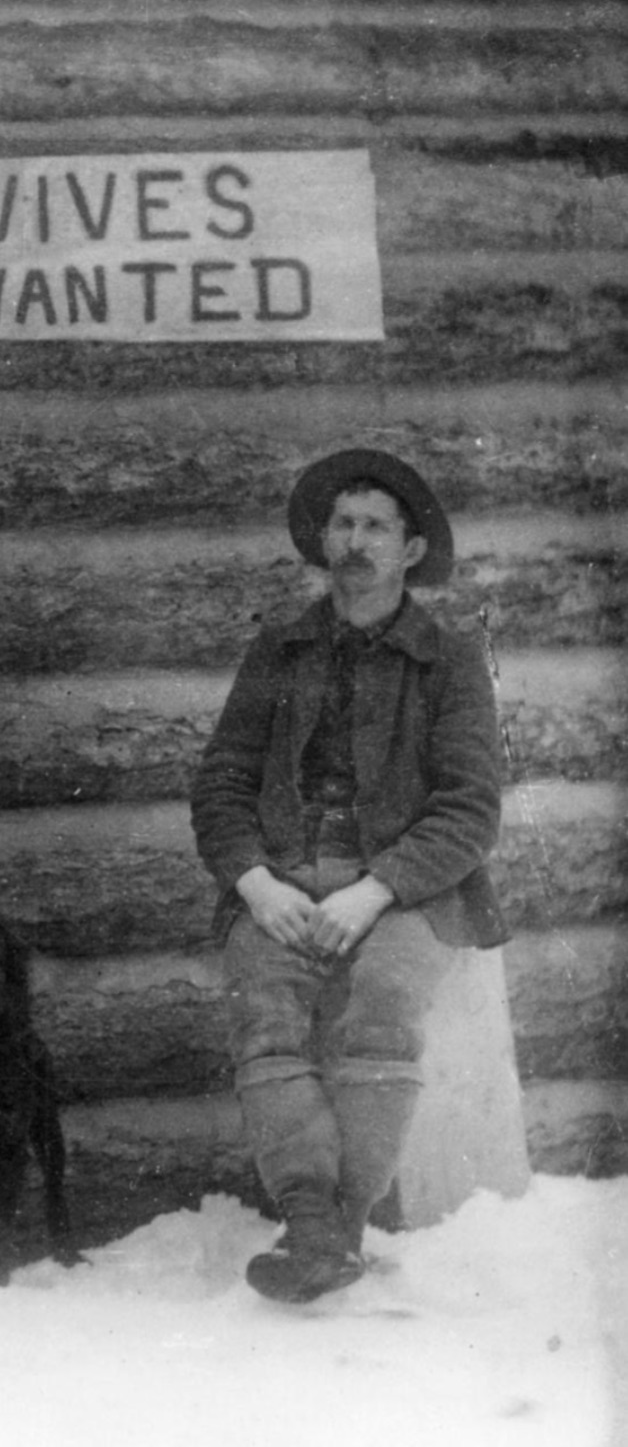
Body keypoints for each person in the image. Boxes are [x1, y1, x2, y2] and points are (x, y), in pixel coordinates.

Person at [191, 449, 505, 1304]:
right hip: (286, 881)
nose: (355, 541)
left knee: (384, 1007)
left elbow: (471, 808)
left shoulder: (447, 658)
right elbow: (221, 782)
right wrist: (256, 883)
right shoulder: (279, 648)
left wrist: (376, 889)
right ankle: (312, 1225)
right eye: (343, 525)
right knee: (263, 1015)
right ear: (322, 542)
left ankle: (341, 1225)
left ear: (409, 551)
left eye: (376, 526)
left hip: (405, 889)